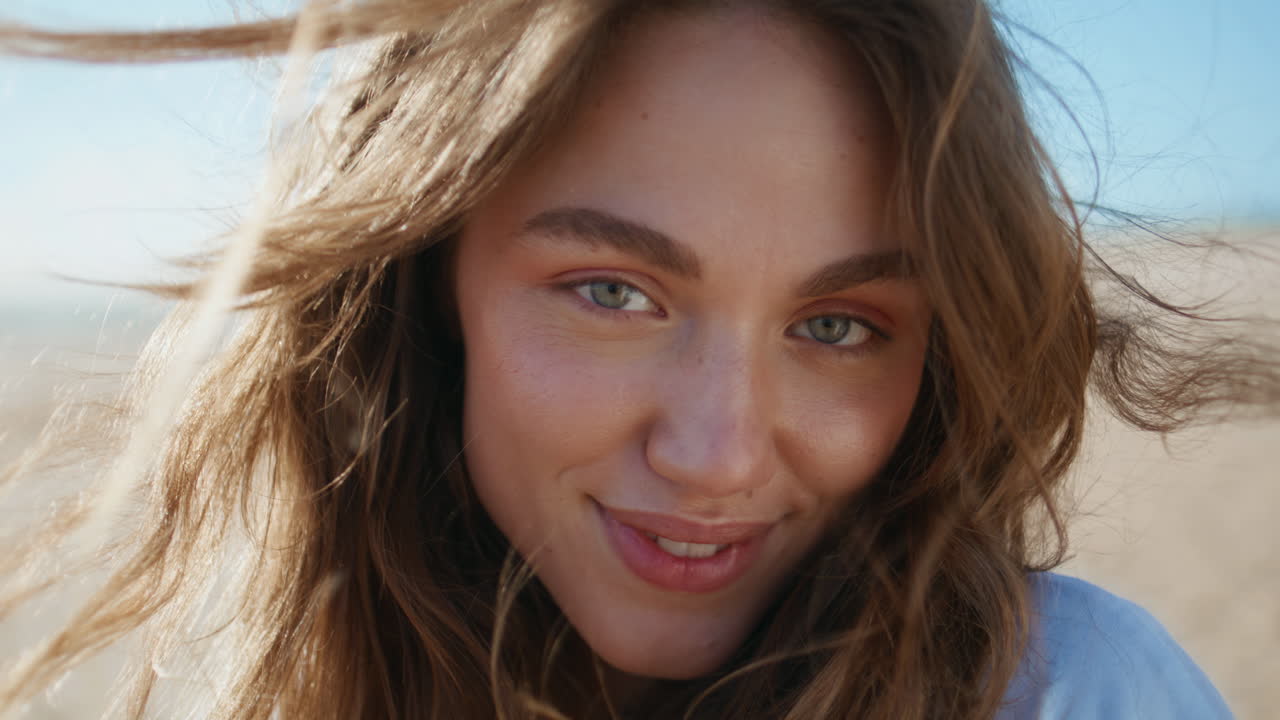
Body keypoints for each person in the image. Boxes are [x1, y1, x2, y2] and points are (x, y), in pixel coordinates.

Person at [0, 1, 1274, 718]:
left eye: (837, 327)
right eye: (614, 292)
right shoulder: (309, 683)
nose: (715, 454)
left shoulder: (1062, 696)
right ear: (425, 284)